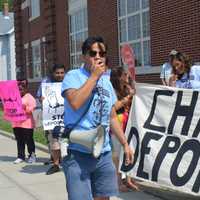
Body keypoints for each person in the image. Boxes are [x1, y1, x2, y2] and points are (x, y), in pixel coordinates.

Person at [61, 36, 133, 200]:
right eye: (93, 53)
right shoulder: (73, 76)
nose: (98, 57)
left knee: (103, 197)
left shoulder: (107, 82)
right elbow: (75, 103)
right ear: (83, 56)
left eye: (102, 53)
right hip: (79, 153)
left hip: (104, 153)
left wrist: (125, 144)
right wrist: (93, 77)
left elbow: (112, 116)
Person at [110, 67, 139, 192]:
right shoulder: (112, 90)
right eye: (125, 74)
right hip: (117, 124)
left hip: (128, 123)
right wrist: (127, 98)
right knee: (117, 155)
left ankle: (128, 179)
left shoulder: (127, 88)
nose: (128, 76)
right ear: (119, 77)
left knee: (130, 151)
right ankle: (118, 182)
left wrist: (132, 90)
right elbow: (114, 107)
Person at [36, 64, 65, 175]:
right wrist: (41, 98)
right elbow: (39, 96)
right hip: (52, 116)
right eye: (57, 73)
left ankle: (65, 161)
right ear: (53, 73)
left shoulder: (68, 82)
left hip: (67, 116)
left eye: (62, 73)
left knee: (67, 139)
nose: (60, 75)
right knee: (54, 140)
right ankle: (56, 164)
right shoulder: (46, 82)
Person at [12, 78, 36, 164]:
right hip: (16, 123)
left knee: (29, 140)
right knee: (19, 140)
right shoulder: (14, 97)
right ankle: (20, 156)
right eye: (19, 87)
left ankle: (32, 155)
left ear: (26, 88)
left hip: (27, 124)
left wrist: (24, 108)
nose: (20, 88)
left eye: (23, 87)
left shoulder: (29, 97)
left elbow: (31, 109)